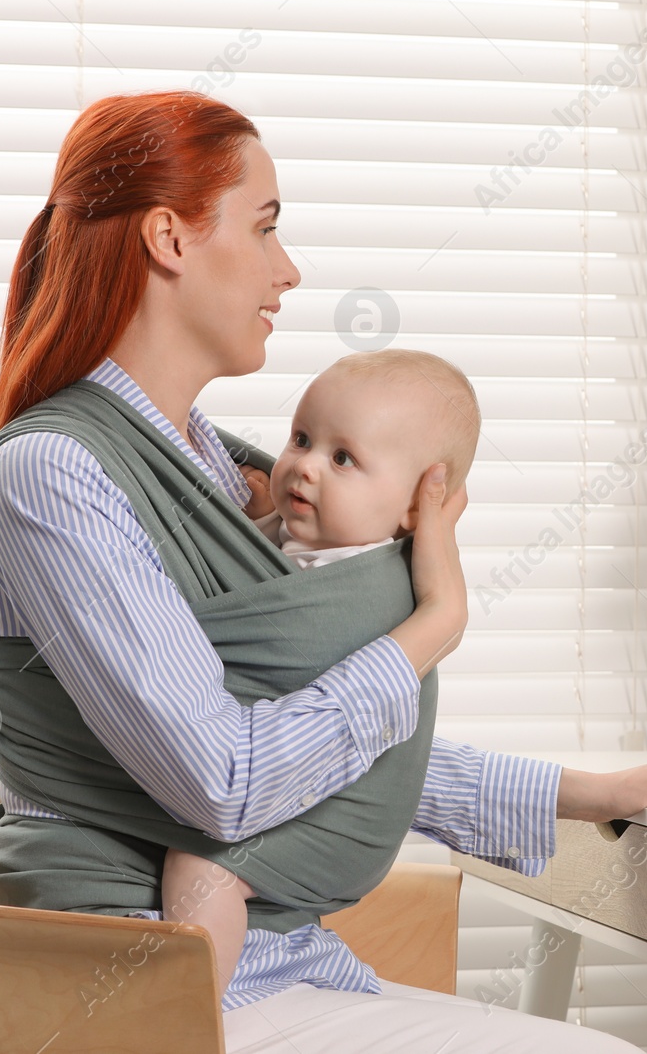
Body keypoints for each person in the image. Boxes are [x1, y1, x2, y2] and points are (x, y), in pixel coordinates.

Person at [0, 89, 647, 1052]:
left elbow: (307, 747)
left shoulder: (218, 467)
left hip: (278, 963)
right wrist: (432, 623)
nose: (288, 272)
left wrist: (592, 791)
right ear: (168, 237)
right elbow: (229, 783)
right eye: (266, 228)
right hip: (148, 992)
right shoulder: (56, 476)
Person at [164, 348, 484, 999]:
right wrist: (254, 512)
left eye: (343, 459)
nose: (305, 466)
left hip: (344, 820)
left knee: (200, 867)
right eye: (302, 438)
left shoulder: (376, 580)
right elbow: (253, 562)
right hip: (297, 787)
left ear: (419, 504)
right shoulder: (299, 535)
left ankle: (196, 1010)